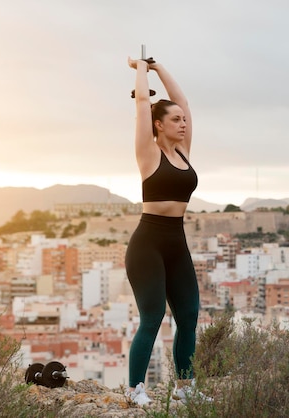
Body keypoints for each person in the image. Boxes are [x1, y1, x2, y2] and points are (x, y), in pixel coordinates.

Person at [124, 53, 209, 405]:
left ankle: (184, 389)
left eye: (183, 120)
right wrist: (141, 70)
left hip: (177, 241)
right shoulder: (148, 152)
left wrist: (159, 66)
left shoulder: (183, 152)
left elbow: (184, 102)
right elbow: (144, 102)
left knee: (188, 314)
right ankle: (134, 390)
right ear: (159, 125)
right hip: (147, 244)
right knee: (153, 316)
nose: (183, 122)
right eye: (175, 119)